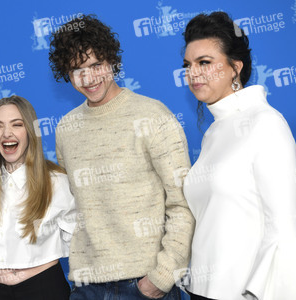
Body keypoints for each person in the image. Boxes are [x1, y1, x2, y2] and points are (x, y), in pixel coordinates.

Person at [49, 14, 195, 299]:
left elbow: (183, 203)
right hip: (85, 286)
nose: (88, 78)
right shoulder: (67, 127)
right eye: (77, 69)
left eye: (96, 65)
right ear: (66, 73)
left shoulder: (153, 115)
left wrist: (161, 277)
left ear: (112, 61)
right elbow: (72, 207)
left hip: (143, 285)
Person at [181, 11, 296, 300]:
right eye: (188, 65)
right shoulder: (213, 133)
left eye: (205, 63)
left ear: (235, 68)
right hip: (201, 291)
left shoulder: (266, 123)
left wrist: (254, 294)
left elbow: (285, 229)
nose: (193, 73)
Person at [0, 95, 76, 300]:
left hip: (43, 288)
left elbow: (79, 243)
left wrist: (27, 272)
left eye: (17, 124)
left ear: (30, 131)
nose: (6, 133)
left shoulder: (56, 181)